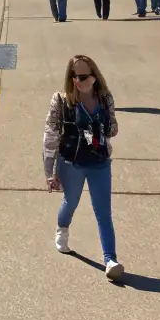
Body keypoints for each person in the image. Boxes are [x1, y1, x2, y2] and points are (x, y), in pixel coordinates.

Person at [43, 54, 122, 281]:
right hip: (71, 163)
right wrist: (50, 172)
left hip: (99, 162)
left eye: (84, 76)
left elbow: (113, 129)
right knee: (71, 201)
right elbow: (50, 136)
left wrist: (100, 126)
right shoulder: (61, 101)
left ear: (95, 77)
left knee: (103, 213)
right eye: (74, 76)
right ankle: (62, 229)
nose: (78, 81)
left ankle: (110, 260)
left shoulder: (105, 99)